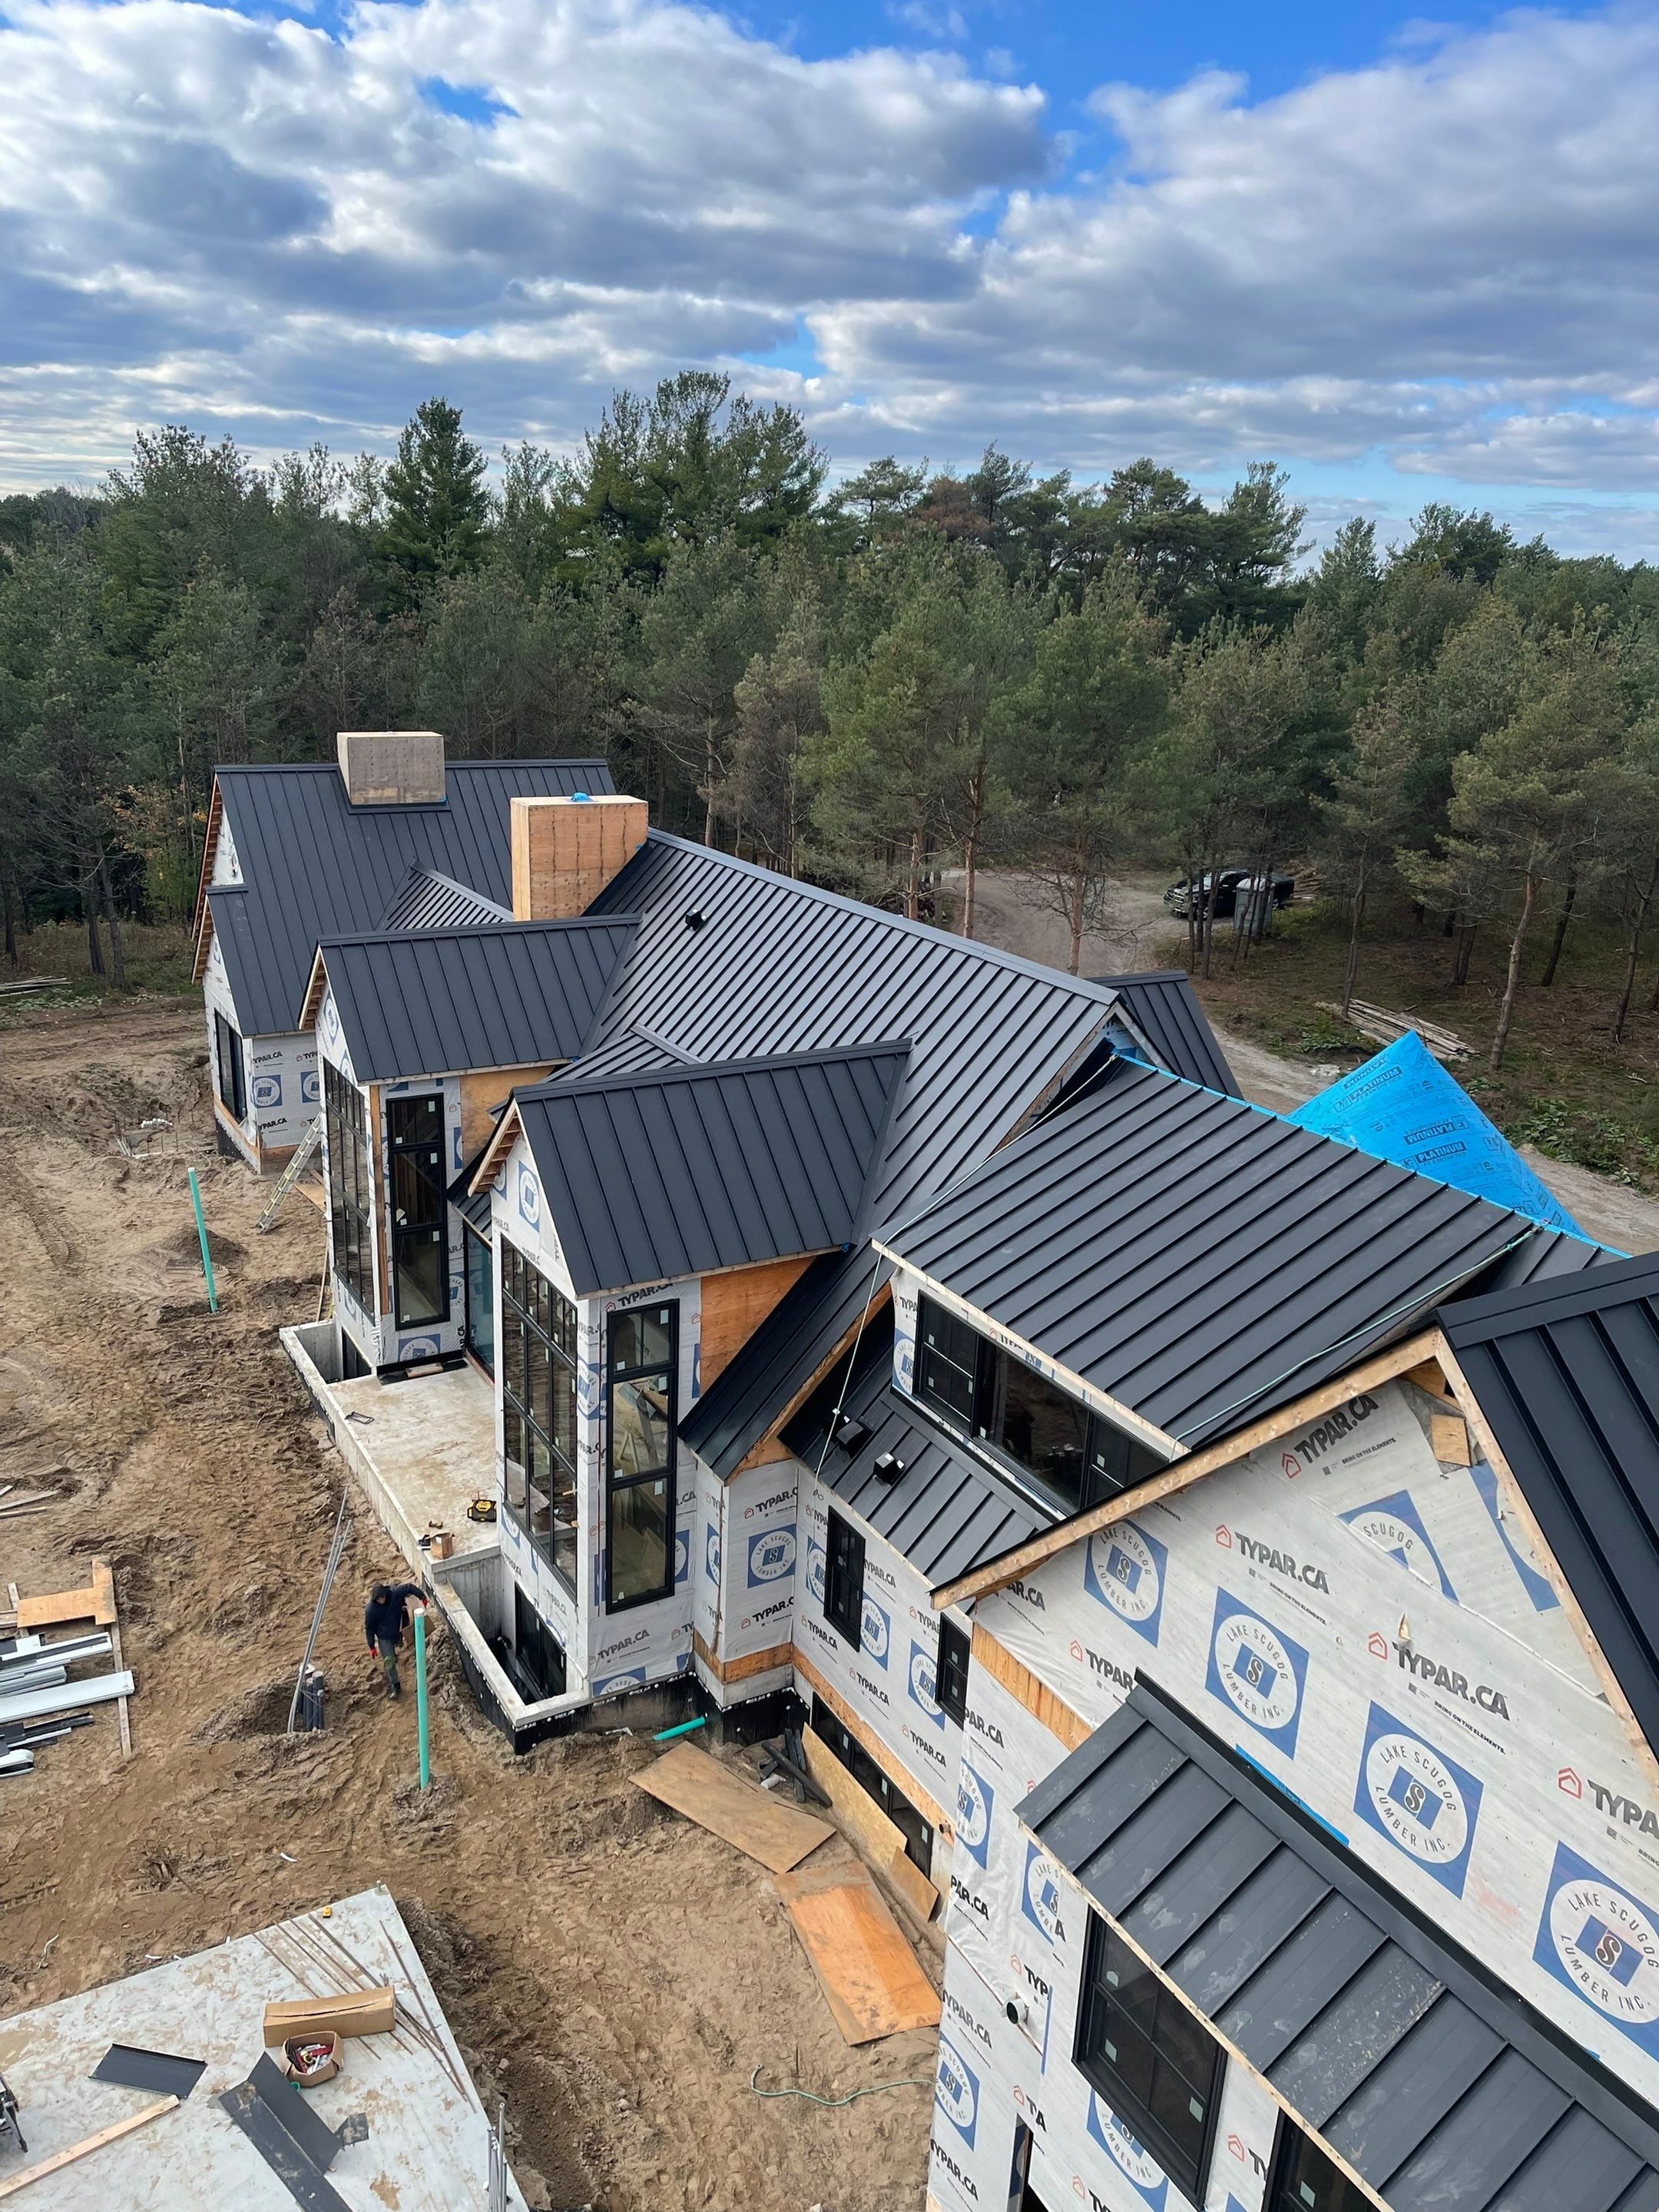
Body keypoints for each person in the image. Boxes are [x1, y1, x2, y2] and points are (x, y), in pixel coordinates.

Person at [363, 1579, 424, 1700]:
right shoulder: (371, 1610)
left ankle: (394, 1651)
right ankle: (396, 1686)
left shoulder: (395, 1593)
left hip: (397, 1630)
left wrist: (422, 1596)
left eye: (382, 1598)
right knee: (389, 1662)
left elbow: (409, 1587)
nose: (381, 1600)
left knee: (396, 1646)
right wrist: (371, 1646)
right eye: (378, 1599)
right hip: (383, 1637)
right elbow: (369, 1629)